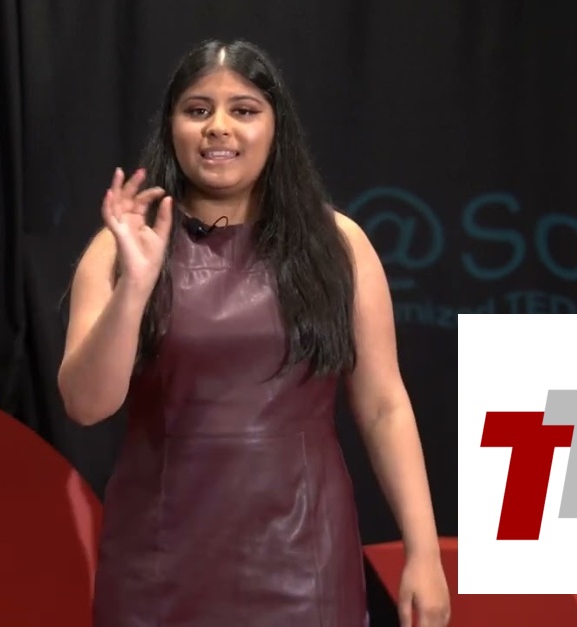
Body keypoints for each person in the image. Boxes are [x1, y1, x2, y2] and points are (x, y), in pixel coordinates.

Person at [58, 39, 450, 627]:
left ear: (275, 127)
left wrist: (423, 551)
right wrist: (135, 286)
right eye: (198, 110)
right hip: (157, 563)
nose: (218, 127)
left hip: (303, 563)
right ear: (171, 127)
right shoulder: (118, 249)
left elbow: (383, 405)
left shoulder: (338, 244)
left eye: (243, 109)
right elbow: (87, 405)